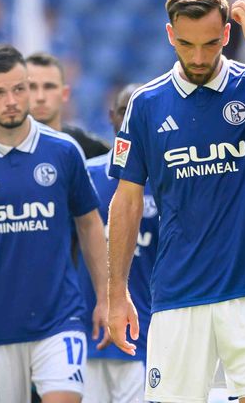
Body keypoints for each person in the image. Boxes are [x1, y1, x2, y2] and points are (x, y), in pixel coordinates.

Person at [107, 0, 245, 402]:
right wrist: (117, 295)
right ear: (170, 35)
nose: (199, 57)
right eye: (186, 44)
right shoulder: (146, 103)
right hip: (178, 290)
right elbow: (126, 201)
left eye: (210, 43)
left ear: (226, 34)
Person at [0, 44, 108, 403]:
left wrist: (107, 298)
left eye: (19, 89)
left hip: (59, 319)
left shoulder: (63, 150)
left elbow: (90, 224)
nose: (11, 100)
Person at [77, 83, 156, 403]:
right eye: (124, 110)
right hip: (88, 332)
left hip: (147, 334)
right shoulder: (85, 175)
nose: (130, 118)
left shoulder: (166, 181)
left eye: (139, 110)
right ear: (112, 116)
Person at [26, 52, 110, 158]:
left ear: (65, 94)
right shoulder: (5, 148)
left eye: (49, 87)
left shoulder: (90, 149)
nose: (40, 97)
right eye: (32, 87)